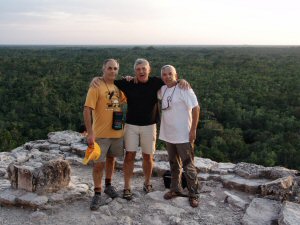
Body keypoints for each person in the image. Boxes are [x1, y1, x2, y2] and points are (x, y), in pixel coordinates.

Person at [91, 58, 189, 200]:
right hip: (131, 126)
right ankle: (127, 186)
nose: (141, 71)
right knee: (129, 156)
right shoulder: (128, 83)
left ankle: (147, 183)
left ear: (149, 70)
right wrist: (97, 78)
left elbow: (171, 80)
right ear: (135, 71)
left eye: (144, 69)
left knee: (148, 156)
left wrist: (182, 81)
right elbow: (109, 80)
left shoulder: (156, 82)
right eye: (138, 69)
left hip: (150, 126)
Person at [83, 59, 126, 210]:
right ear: (104, 68)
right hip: (100, 133)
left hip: (116, 131)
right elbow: (87, 110)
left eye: (115, 68)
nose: (112, 71)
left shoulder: (118, 87)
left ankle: (108, 185)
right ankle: (97, 192)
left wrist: (128, 79)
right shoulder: (95, 86)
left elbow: (129, 95)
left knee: (111, 159)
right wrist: (90, 132)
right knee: (98, 164)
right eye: (110, 68)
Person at [158, 65, 200, 208]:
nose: (167, 76)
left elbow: (196, 108)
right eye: (164, 74)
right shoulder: (162, 90)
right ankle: (175, 189)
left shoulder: (184, 88)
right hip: (169, 134)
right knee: (174, 164)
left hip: (183, 135)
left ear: (176, 74)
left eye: (170, 73)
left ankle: (194, 194)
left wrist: (193, 129)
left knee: (188, 166)